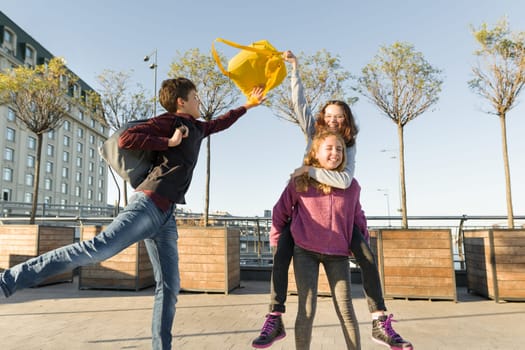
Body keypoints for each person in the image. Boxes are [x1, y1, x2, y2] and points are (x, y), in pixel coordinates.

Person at [0, 77, 265, 350]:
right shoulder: (170, 122)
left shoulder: (197, 128)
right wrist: (169, 142)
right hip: (147, 205)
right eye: (196, 96)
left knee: (170, 287)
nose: (200, 101)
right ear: (181, 101)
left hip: (165, 216)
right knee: (97, 249)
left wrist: (249, 105)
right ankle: (7, 280)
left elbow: (220, 122)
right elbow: (126, 138)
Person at [252, 51, 412, 350]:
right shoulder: (312, 138)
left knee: (365, 255)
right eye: (330, 116)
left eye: (341, 117)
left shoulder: (348, 148)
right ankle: (275, 315)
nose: (335, 121)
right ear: (322, 123)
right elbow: (300, 105)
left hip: (337, 227)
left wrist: (309, 169)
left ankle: (379, 317)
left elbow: (346, 182)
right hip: (305, 221)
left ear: (347, 124)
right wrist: (296, 70)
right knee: (281, 252)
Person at [272, 130, 364, 349]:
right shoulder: (300, 182)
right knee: (307, 308)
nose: (335, 153)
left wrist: (360, 247)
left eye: (340, 149)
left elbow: (358, 217)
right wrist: (277, 242)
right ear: (315, 154)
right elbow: (280, 211)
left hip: (338, 254)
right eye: (329, 148)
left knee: (346, 309)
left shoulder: (351, 186)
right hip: (305, 251)